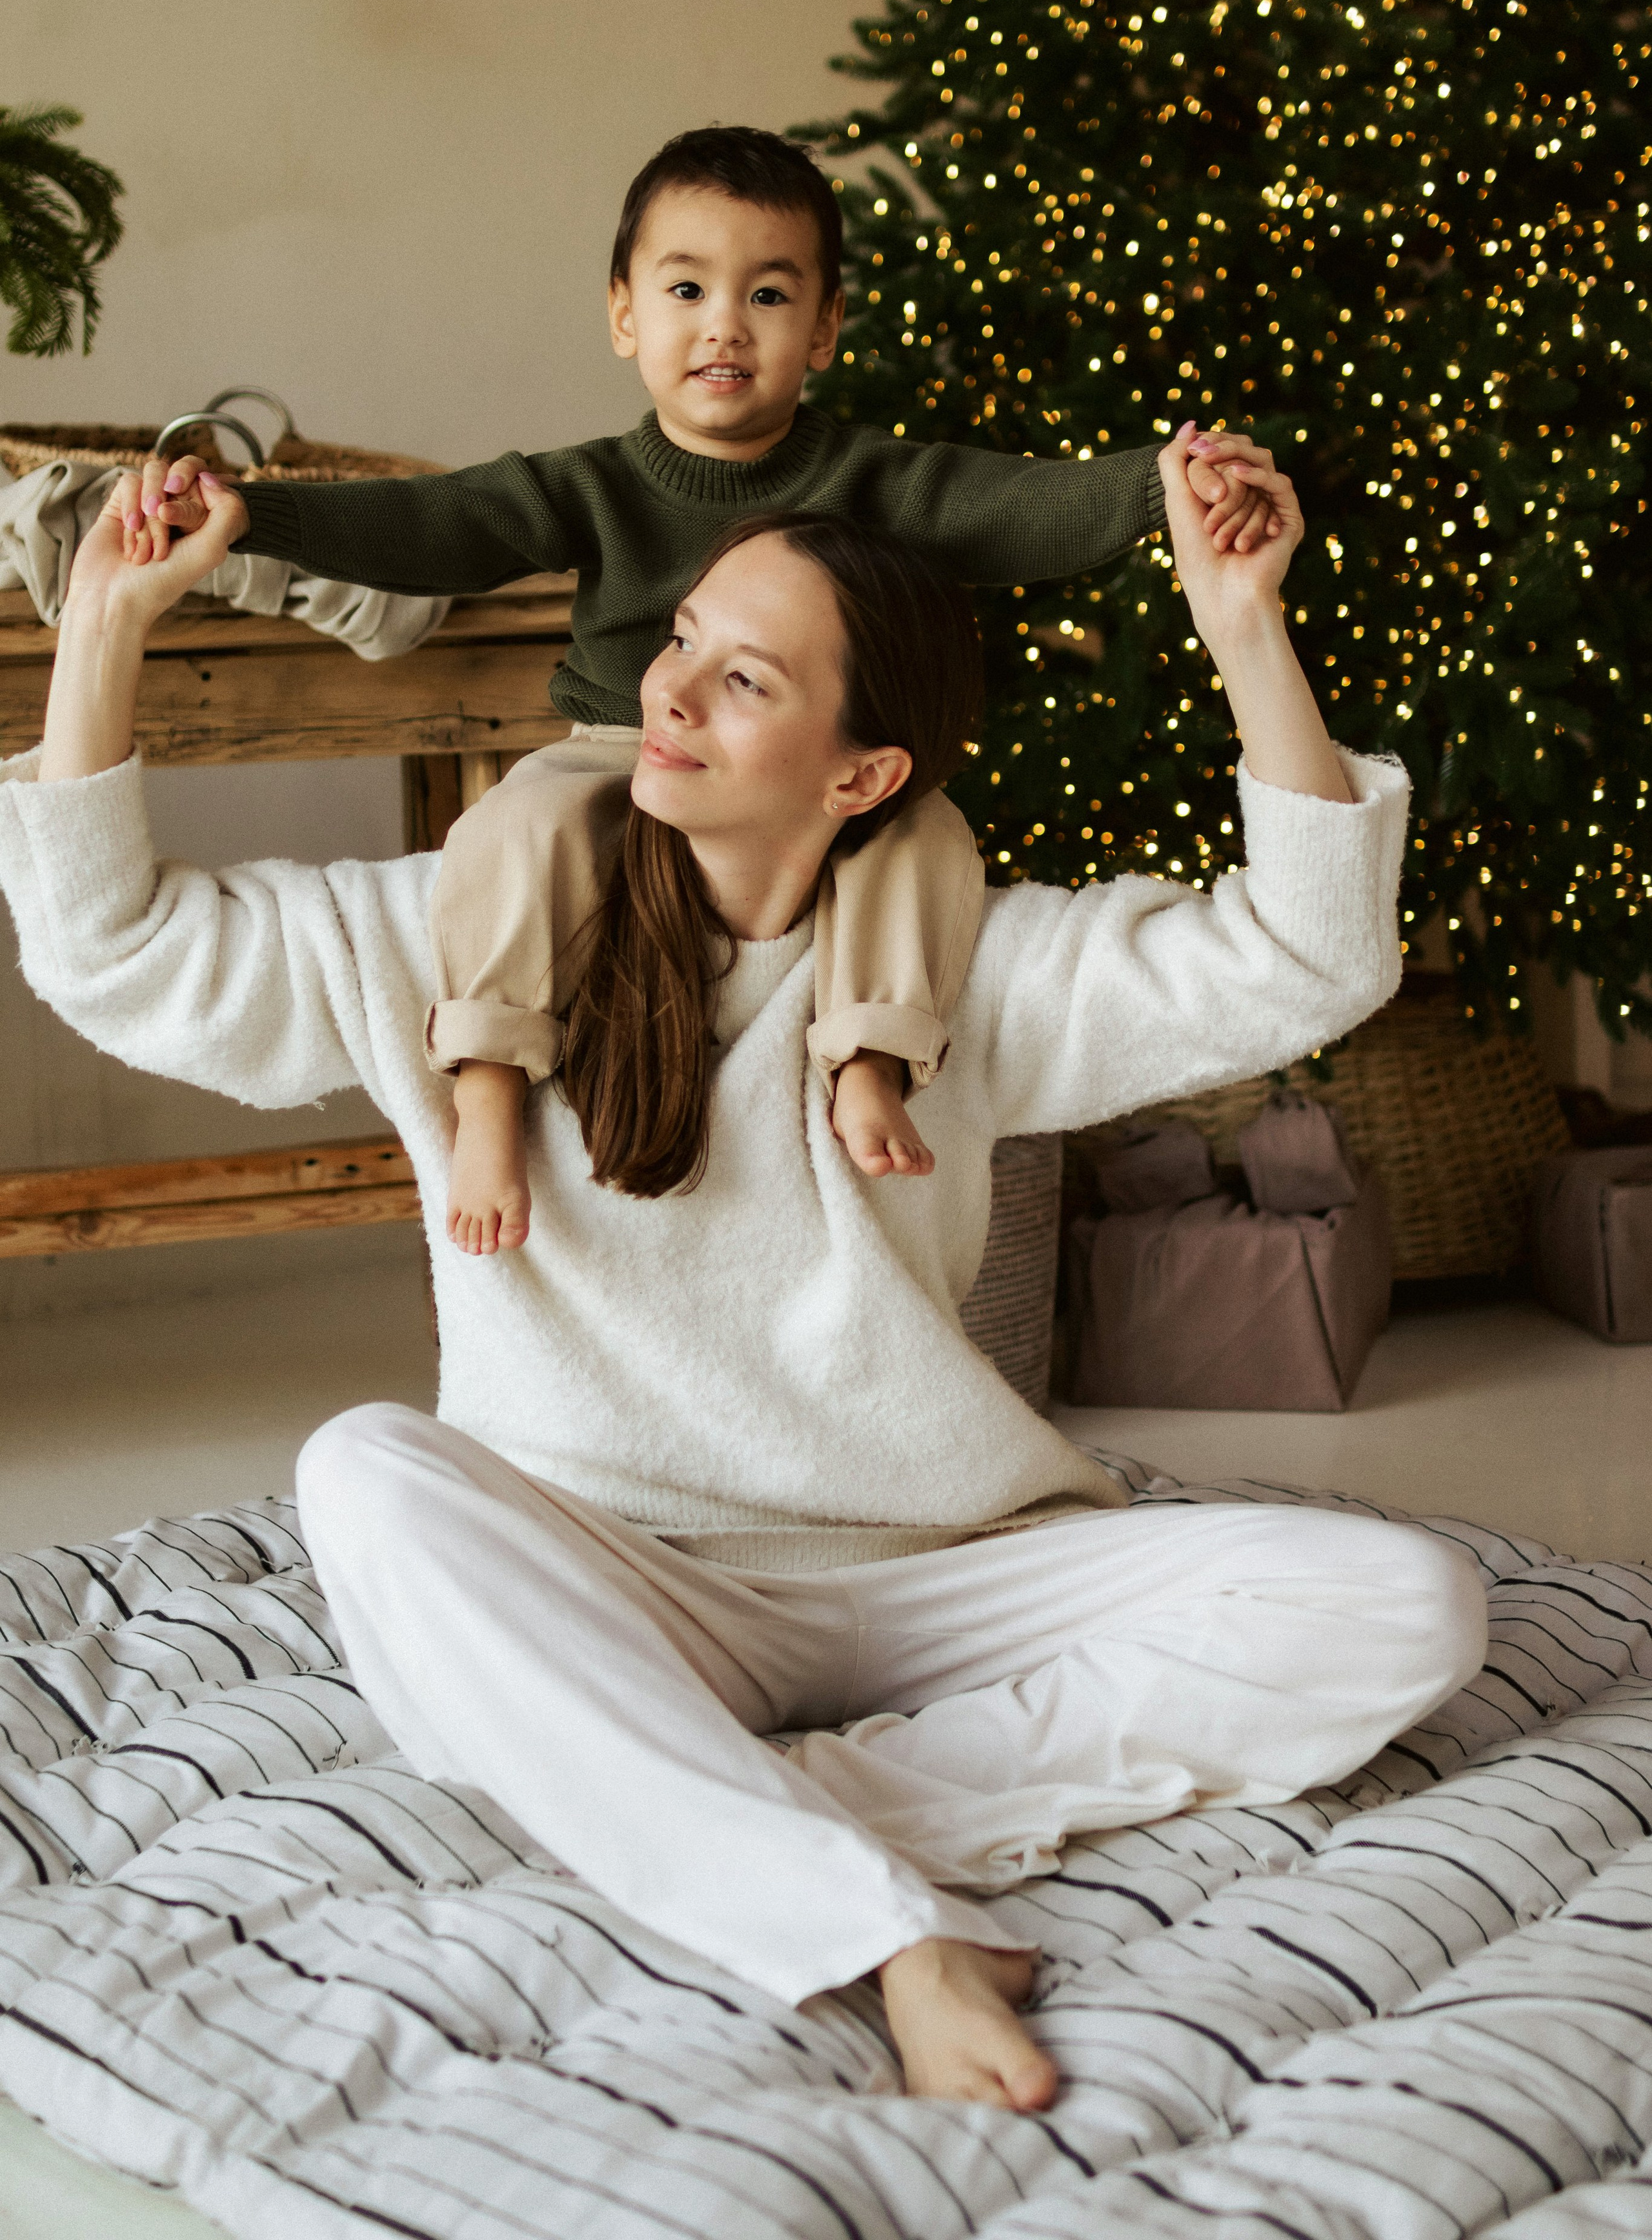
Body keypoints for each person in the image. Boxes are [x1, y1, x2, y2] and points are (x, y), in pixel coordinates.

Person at [1, 428, 1486, 2113]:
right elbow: (120, 957)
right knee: (366, 1472)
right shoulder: (457, 923)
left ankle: (667, 1797)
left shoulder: (961, 971)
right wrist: (106, 628)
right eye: (685, 638)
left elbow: (1306, 957)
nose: (677, 689)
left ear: (861, 774)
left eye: (749, 677)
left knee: (1401, 1605)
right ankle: (874, 1926)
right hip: (618, 1576)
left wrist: (1244, 629)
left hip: (940, 1573)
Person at [113, 125, 1296, 1255]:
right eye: (685, 291)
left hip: (794, 779)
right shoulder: (591, 485)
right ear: (624, 313)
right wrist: (255, 512)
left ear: (826, 327)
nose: (724, 325)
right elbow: (441, 522)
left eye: (769, 296)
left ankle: (872, 1057)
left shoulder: (873, 480)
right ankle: (484, 1088)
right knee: (515, 826)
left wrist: (1162, 483)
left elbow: (1019, 507)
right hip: (618, 751)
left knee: (924, 833)